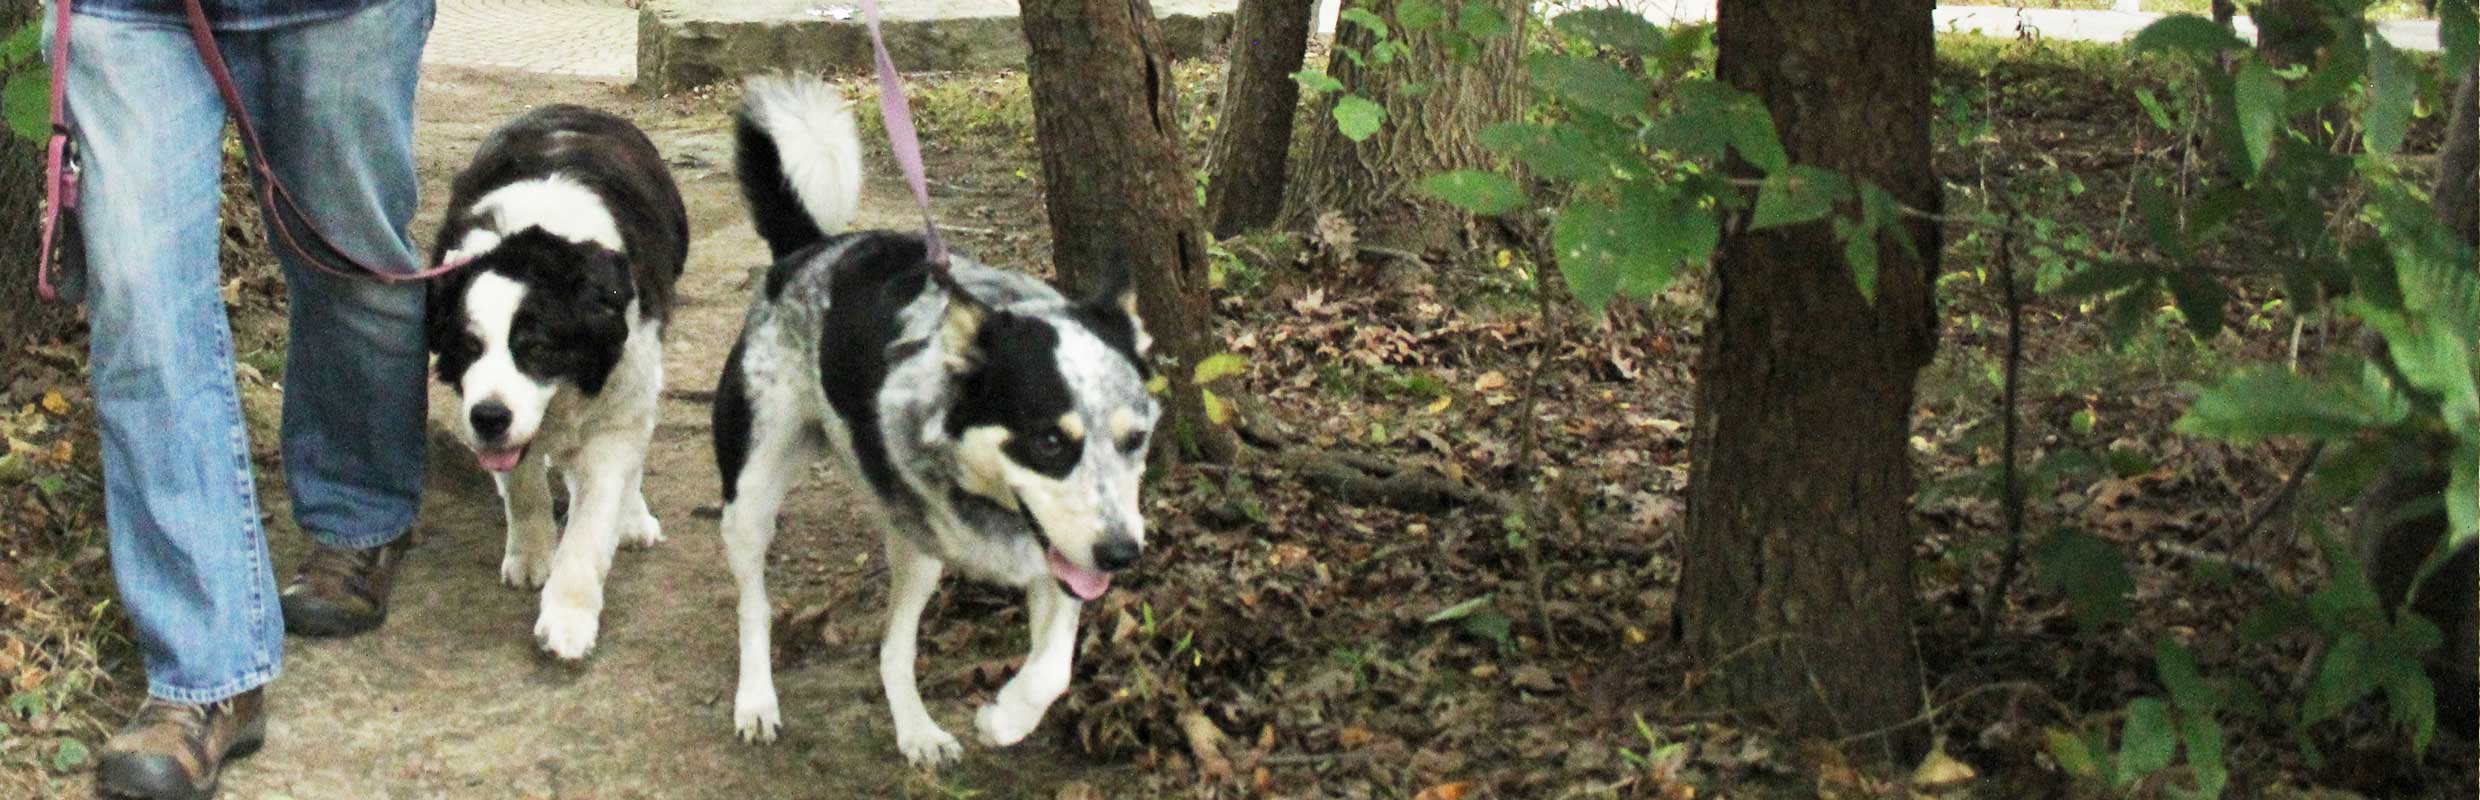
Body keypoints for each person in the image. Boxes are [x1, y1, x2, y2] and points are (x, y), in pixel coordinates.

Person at [48, 0, 436, 797]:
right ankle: (206, 674)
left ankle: (361, 512)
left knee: (351, 261)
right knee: (142, 309)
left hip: (340, 10)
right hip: (126, 14)